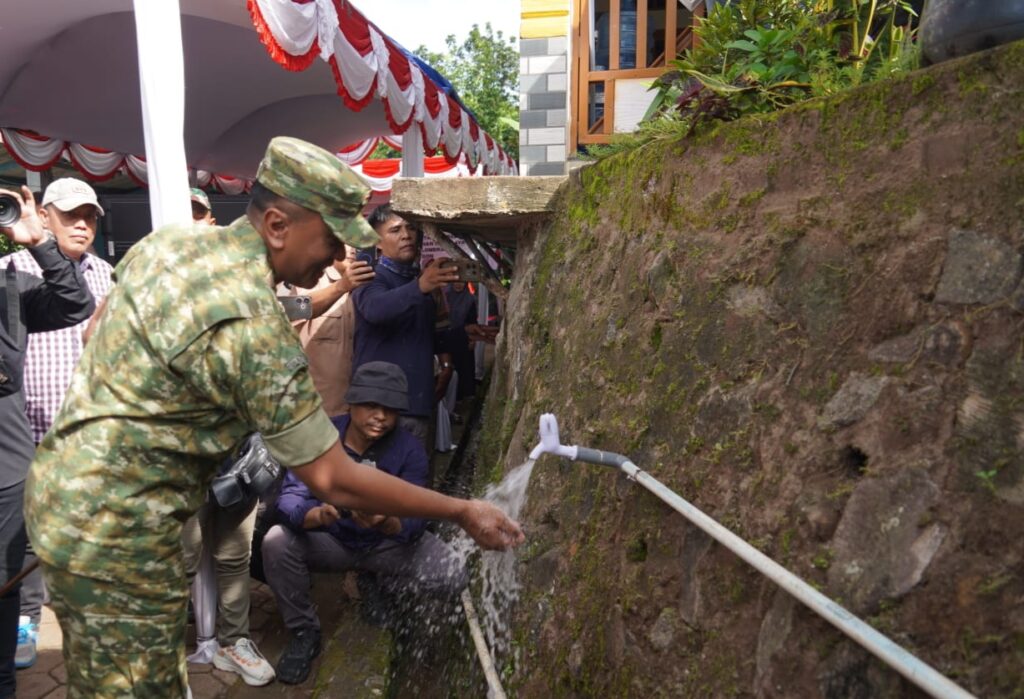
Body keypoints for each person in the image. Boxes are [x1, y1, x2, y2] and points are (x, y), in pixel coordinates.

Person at [24, 136, 522, 698]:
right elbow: (333, 477)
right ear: (278, 225)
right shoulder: (258, 329)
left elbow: (96, 330)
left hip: (63, 492)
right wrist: (461, 511)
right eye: (332, 240)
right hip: (120, 535)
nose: (338, 259)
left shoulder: (167, 245)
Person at [262, 361, 468, 684]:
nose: (381, 416)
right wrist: (318, 514)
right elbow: (288, 498)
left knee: (453, 574)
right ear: (351, 403)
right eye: (371, 405)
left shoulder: (410, 449)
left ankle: (383, 585)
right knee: (275, 542)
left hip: (384, 544)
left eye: (390, 409)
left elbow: (418, 517)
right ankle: (305, 633)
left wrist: (389, 523)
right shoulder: (323, 439)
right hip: (332, 540)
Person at [0, 178, 112, 669]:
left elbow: (77, 307)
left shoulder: (100, 274)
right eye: (70, 215)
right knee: (22, 544)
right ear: (45, 214)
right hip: (27, 430)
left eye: (90, 216)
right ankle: (24, 619)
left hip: (74, 438)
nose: (83, 225)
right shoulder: (10, 270)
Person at [179, 186, 271, 686]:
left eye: (199, 214)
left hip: (237, 454)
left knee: (234, 556)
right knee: (180, 558)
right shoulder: (152, 288)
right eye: (183, 216)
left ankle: (234, 641)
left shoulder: (248, 287)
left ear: (212, 221)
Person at [352, 206, 459, 455]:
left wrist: (446, 367)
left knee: (415, 485)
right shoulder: (369, 277)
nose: (406, 235)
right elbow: (375, 309)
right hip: (379, 407)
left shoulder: (421, 281)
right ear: (377, 243)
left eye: (411, 228)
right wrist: (420, 286)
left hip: (418, 403)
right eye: (395, 230)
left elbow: (434, 331)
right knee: (378, 488)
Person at [278, 244, 374, 416]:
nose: (353, 249)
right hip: (316, 409)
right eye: (347, 241)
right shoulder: (309, 277)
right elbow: (292, 309)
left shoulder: (372, 284)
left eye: (358, 243)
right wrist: (341, 286)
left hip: (360, 410)